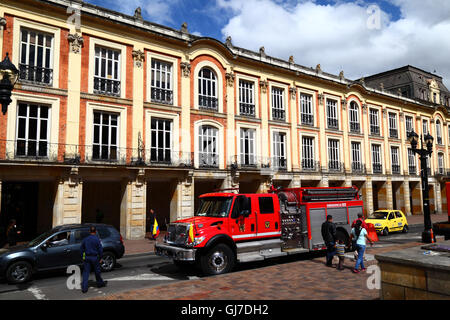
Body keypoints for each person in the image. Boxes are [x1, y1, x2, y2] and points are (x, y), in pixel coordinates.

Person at [80, 226, 107, 293]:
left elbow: (81, 249)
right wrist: (100, 258)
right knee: (97, 271)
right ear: (95, 231)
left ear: (89, 231)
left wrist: (83, 257)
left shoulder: (85, 239)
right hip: (95, 257)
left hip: (87, 257)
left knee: (86, 273)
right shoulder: (97, 239)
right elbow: (100, 250)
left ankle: (84, 288)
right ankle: (100, 283)